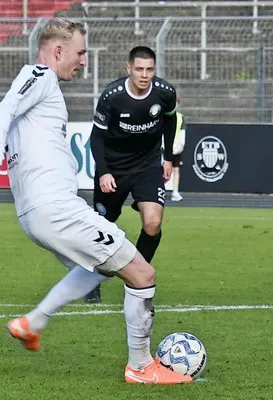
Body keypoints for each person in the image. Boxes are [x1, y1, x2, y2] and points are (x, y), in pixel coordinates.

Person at [1, 18, 191, 384]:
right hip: (56, 209)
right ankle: (140, 367)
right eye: (81, 52)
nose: (84, 61)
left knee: (95, 270)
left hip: (35, 215)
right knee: (142, 274)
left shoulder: (40, 89)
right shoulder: (39, 75)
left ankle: (32, 323)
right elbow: (4, 109)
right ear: (59, 51)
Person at [83, 46, 177, 304]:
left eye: (149, 69)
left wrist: (168, 158)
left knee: (153, 224)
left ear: (155, 70)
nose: (144, 75)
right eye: (139, 69)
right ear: (129, 69)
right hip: (114, 168)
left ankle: (137, 276)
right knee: (103, 226)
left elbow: (170, 121)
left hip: (148, 165)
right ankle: (90, 280)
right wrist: (104, 172)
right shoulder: (112, 96)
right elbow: (96, 137)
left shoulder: (165, 92)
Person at [170, 98, 186, 201]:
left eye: (176, 104)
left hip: (176, 148)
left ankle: (175, 191)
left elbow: (183, 132)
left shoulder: (180, 117)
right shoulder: (162, 116)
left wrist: (181, 145)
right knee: (159, 170)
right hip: (163, 148)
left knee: (176, 169)